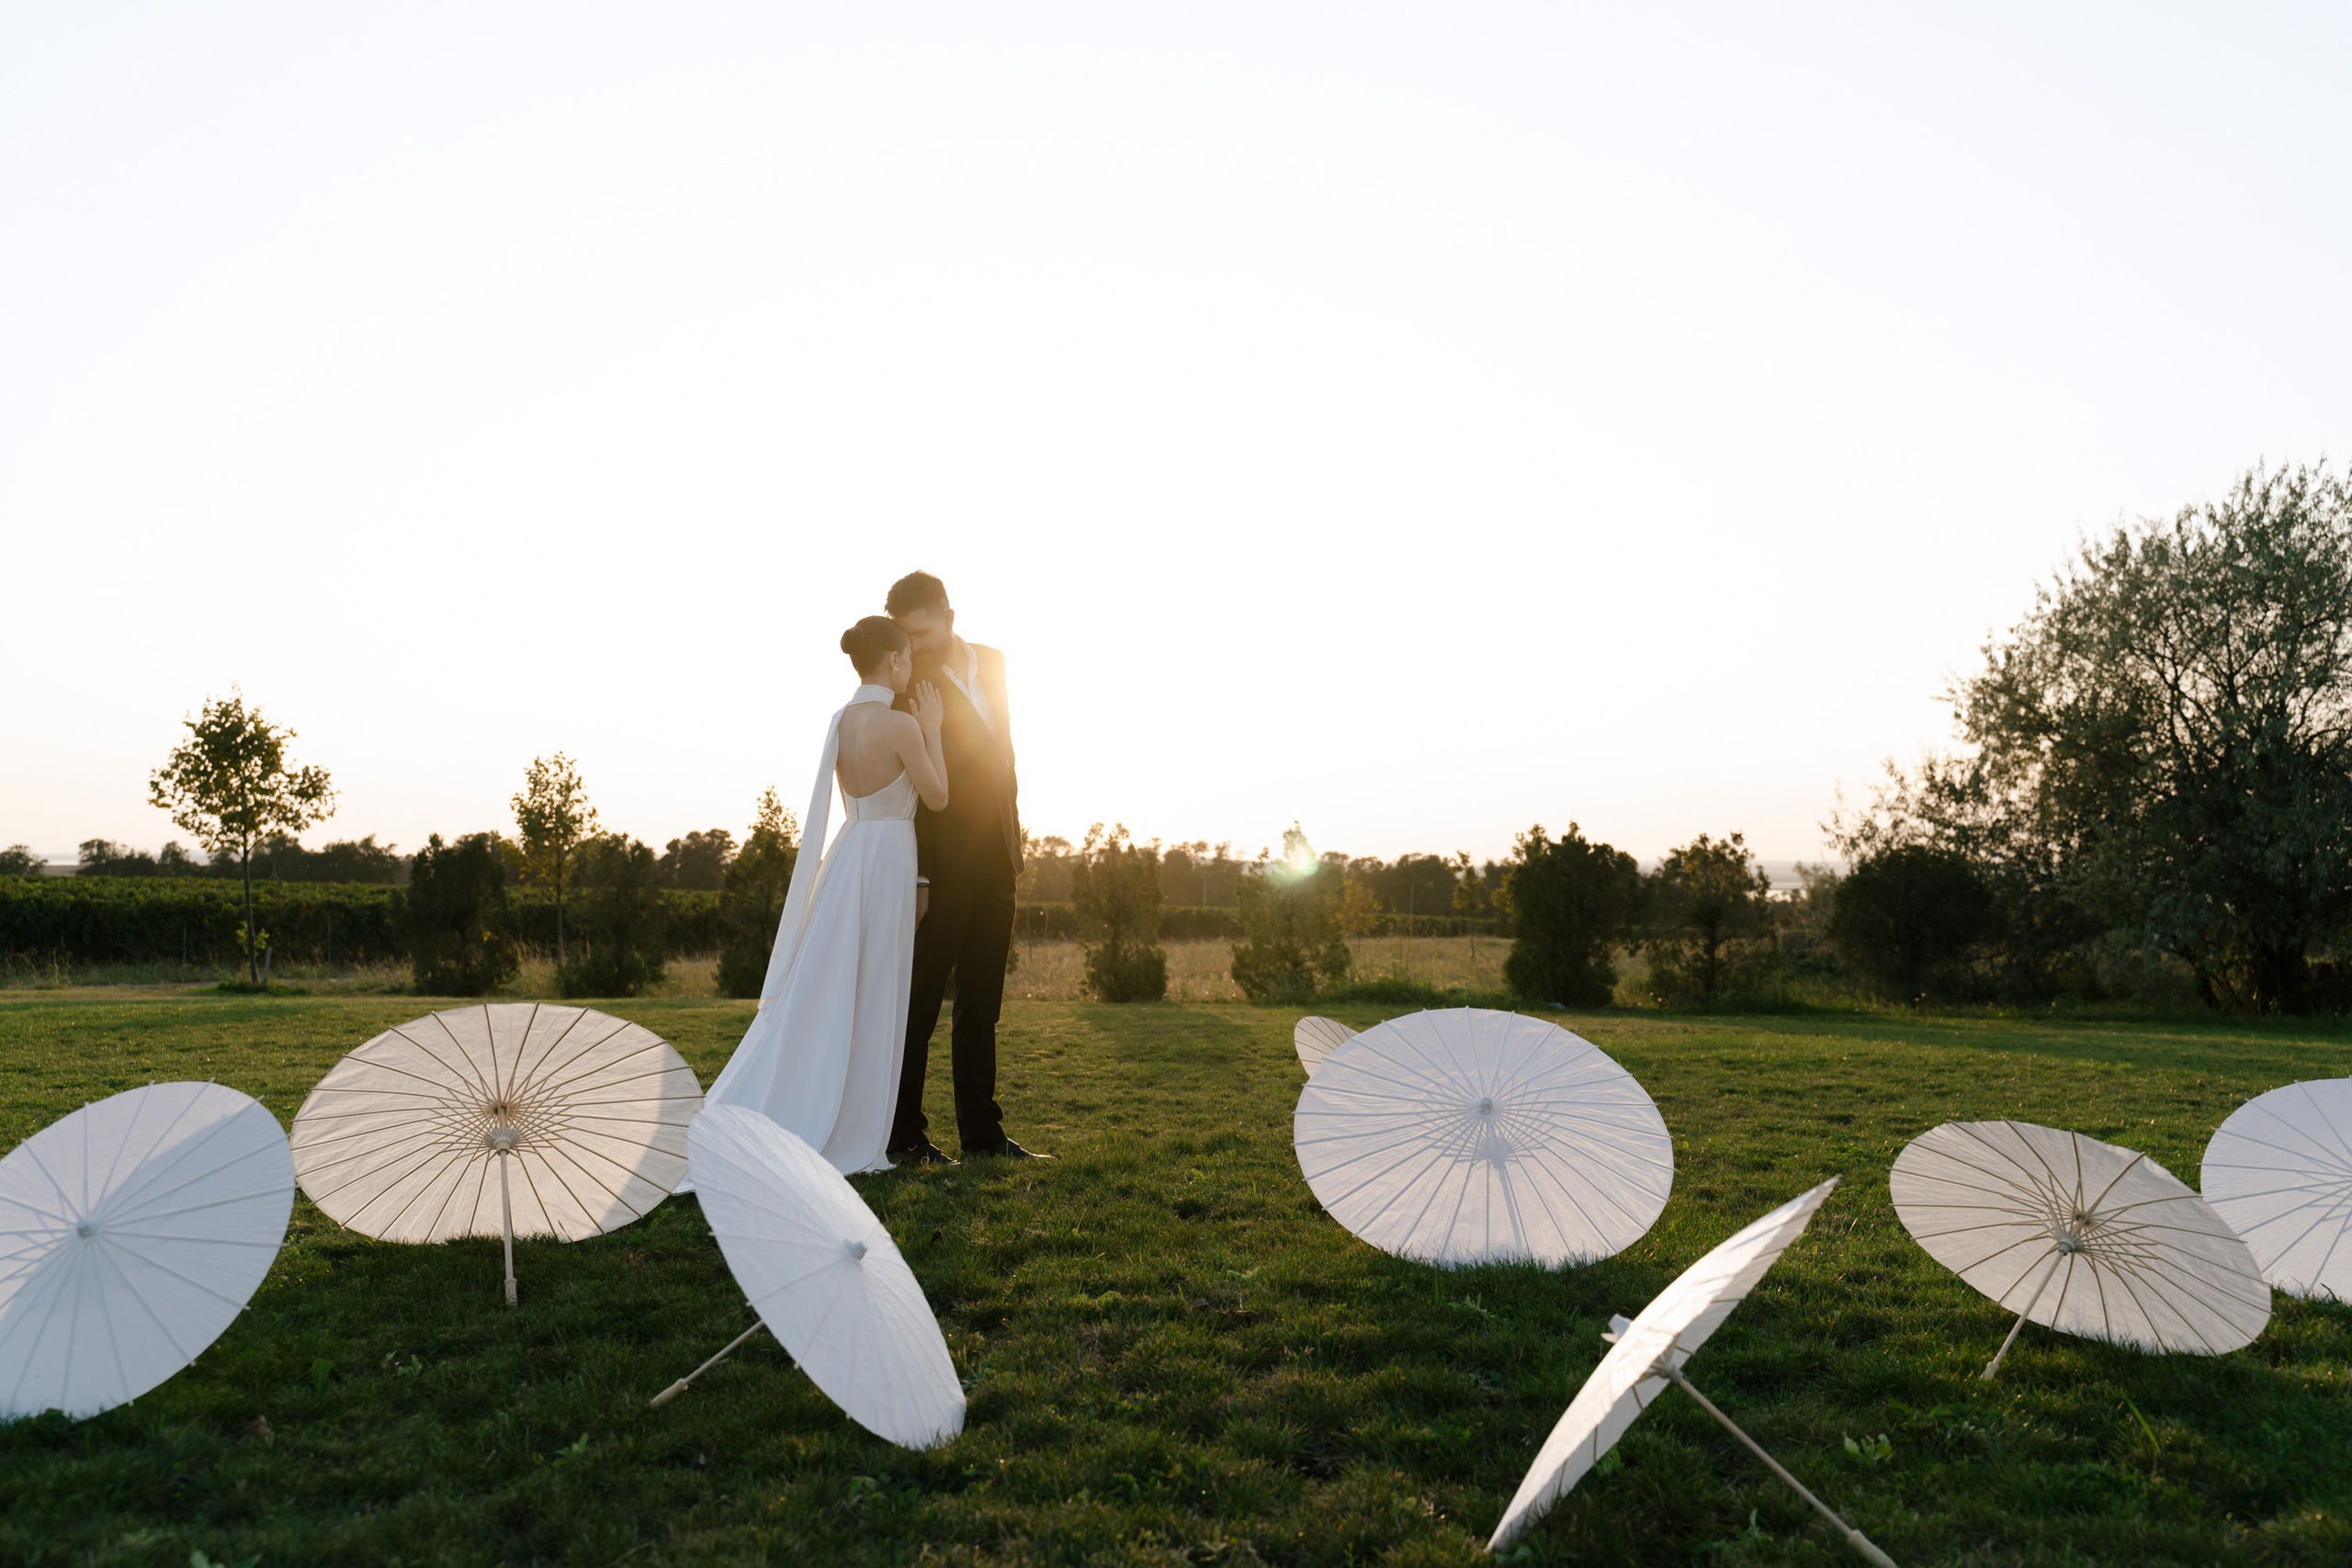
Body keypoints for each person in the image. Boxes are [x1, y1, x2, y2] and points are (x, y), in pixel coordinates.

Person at [697, 616, 948, 1174]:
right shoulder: (902, 725)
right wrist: (933, 729)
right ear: (893, 662)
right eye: (906, 657)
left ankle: (822, 1098)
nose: (910, 667)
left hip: (848, 853)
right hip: (887, 860)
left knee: (836, 983)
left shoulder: (840, 721)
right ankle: (858, 1123)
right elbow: (938, 797)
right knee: (877, 987)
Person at [885, 570, 1049, 1163]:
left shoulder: (994, 661)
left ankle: (983, 1137)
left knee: (983, 1006)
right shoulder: (909, 684)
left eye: (921, 630)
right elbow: (909, 787)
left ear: (948, 615)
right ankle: (904, 1137)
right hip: (944, 866)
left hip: (996, 861)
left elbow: (1004, 756)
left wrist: (1014, 844)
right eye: (905, 635)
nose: (914, 643)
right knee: (921, 1005)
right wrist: (922, 874)